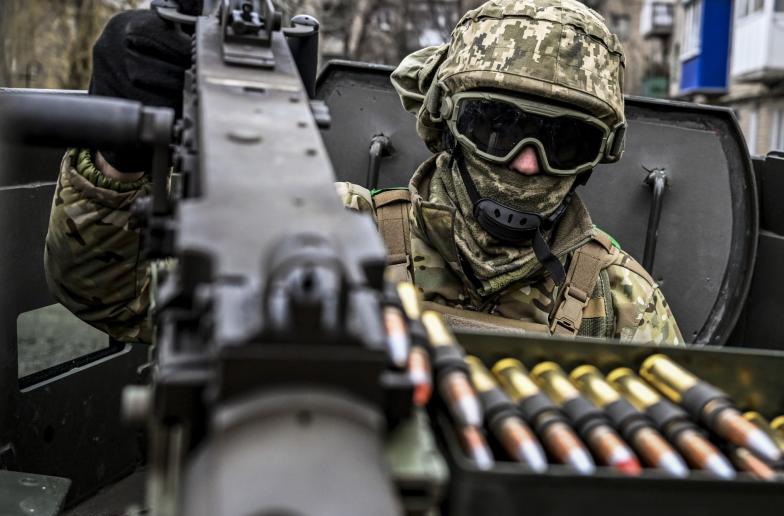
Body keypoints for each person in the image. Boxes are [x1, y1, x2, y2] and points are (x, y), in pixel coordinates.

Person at [44, 0, 684, 346]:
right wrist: (119, 160)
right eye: (496, 125)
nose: (526, 162)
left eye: (563, 139)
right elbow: (118, 297)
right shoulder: (326, 231)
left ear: (600, 154)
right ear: (443, 120)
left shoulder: (625, 305)